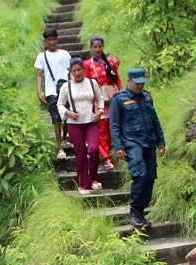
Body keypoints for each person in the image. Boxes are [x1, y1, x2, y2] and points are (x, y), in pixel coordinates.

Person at [109, 68, 165, 230]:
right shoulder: (119, 99)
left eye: (142, 83)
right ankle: (134, 209)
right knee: (139, 174)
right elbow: (114, 125)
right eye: (137, 82)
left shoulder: (147, 97)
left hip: (149, 142)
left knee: (150, 177)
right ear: (128, 81)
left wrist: (161, 141)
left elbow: (155, 120)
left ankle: (140, 211)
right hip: (132, 143)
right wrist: (118, 146)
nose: (140, 86)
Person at [57, 58, 104, 195]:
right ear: (70, 71)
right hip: (74, 124)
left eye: (79, 70)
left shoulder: (91, 83)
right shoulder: (67, 86)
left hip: (91, 121)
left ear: (84, 69)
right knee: (80, 152)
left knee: (94, 149)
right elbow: (60, 104)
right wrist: (68, 112)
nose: (77, 73)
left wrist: (100, 111)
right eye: (74, 71)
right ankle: (83, 184)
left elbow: (100, 99)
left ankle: (93, 178)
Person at [83, 35, 122, 170]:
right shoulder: (88, 64)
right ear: (91, 48)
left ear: (103, 47)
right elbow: (86, 83)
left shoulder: (110, 62)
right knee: (101, 129)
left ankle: (113, 151)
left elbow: (117, 79)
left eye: (100, 47)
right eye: (95, 47)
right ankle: (106, 157)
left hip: (112, 98)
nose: (98, 49)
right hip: (97, 100)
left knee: (113, 126)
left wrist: (121, 94)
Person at [34, 28, 71, 160]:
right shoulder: (42, 56)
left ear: (57, 39)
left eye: (54, 39)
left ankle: (65, 138)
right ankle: (60, 147)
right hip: (51, 91)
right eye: (49, 40)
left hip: (65, 89)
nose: (52, 42)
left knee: (67, 116)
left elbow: (70, 70)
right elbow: (39, 75)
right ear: (46, 41)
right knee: (56, 119)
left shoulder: (65, 54)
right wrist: (39, 91)